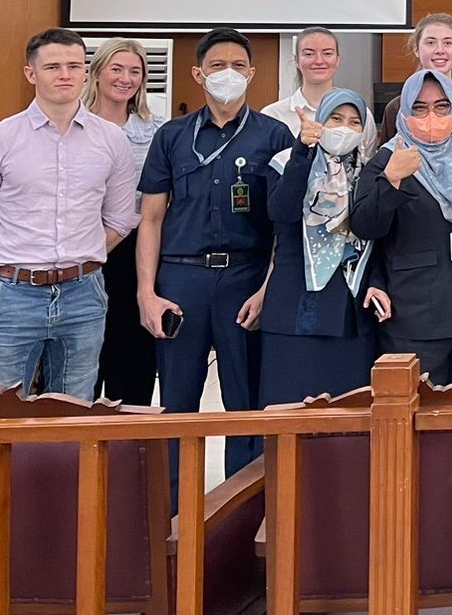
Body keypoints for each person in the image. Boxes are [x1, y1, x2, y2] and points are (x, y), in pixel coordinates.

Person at [136, 27, 296, 479]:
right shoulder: (172, 136)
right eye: (217, 65)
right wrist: (147, 293)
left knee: (245, 404)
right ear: (198, 73)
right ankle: (170, 521)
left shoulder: (274, 135)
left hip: (246, 280)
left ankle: (238, 523)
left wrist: (268, 289)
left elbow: (285, 224)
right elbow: (150, 218)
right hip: (181, 281)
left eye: (238, 66)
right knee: (177, 405)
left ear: (252, 73)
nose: (228, 73)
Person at [0, 29, 138, 399]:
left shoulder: (111, 140)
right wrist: (5, 275)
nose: (65, 74)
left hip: (84, 294)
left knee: (75, 413)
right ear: (31, 74)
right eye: (53, 66)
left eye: (74, 65)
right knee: (1, 416)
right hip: (13, 294)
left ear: (85, 72)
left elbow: (121, 219)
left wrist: (82, 258)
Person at [351, 70, 452, 385]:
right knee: (414, 420)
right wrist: (392, 179)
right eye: (419, 107)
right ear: (403, 110)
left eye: (442, 106)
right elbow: (365, 226)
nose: (432, 115)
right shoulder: (389, 157)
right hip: (414, 317)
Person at [260, 89, 391, 405]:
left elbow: (379, 240)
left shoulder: (368, 172)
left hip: (351, 313)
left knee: (347, 425)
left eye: (354, 121)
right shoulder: (287, 161)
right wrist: (303, 151)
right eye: (336, 118)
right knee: (290, 420)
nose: (344, 128)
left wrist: (376, 284)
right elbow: (282, 211)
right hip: (297, 312)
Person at [82, 36, 166, 404]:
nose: (125, 78)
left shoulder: (158, 131)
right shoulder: (70, 125)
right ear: (97, 72)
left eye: (135, 71)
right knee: (81, 362)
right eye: (117, 68)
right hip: (79, 250)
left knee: (131, 361)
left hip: (135, 251)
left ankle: (129, 457)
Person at [263, 26, 377, 173]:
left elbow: (368, 168)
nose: (319, 61)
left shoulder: (361, 115)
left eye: (327, 53)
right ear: (296, 60)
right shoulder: (273, 115)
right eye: (309, 54)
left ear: (337, 60)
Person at [379, 14, 452, 141]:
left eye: (448, 43)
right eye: (430, 43)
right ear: (416, 50)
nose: (440, 50)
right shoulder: (396, 108)